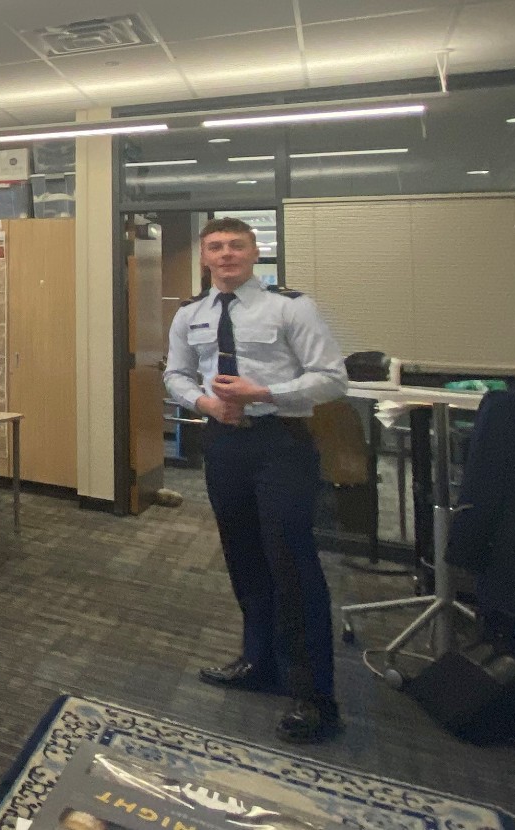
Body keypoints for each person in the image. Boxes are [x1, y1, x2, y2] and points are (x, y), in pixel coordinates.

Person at [164, 216, 348, 743]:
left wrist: (262, 394)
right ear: (204, 257)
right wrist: (204, 404)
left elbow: (332, 379)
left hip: (281, 444)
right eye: (216, 247)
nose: (226, 255)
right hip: (223, 446)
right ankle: (260, 662)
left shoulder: (290, 307)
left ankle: (315, 696)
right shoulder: (191, 314)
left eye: (236, 246)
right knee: (243, 557)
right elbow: (175, 374)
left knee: (291, 561)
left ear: (254, 252)